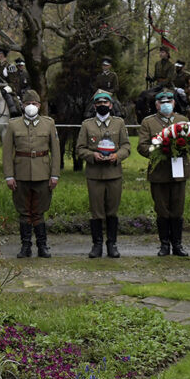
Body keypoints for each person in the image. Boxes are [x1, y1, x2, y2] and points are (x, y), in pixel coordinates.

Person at [2, 89, 60, 258]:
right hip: (21, 174)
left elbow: (55, 151)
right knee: (24, 211)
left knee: (39, 211)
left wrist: (55, 174)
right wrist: (9, 175)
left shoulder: (49, 123)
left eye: (34, 103)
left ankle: (42, 246)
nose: (31, 106)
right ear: (22, 106)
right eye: (28, 103)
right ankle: (25, 246)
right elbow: (7, 153)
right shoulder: (13, 124)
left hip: (43, 173)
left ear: (39, 106)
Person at [137, 90, 190, 256]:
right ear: (157, 105)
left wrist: (182, 147)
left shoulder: (183, 120)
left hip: (179, 171)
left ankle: (177, 245)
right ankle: (164, 245)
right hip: (159, 172)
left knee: (178, 209)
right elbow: (142, 146)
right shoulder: (148, 122)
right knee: (162, 209)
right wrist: (158, 150)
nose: (166, 105)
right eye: (162, 103)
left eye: (169, 102)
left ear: (174, 103)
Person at [76, 90, 131, 258]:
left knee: (112, 211)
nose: (102, 105)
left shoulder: (119, 123)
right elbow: (80, 148)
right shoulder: (87, 125)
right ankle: (97, 245)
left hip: (114, 173)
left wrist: (117, 156)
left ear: (111, 105)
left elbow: (126, 146)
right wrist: (92, 155)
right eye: (99, 103)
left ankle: (112, 244)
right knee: (96, 211)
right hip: (95, 175)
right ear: (95, 106)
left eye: (105, 103)